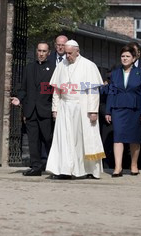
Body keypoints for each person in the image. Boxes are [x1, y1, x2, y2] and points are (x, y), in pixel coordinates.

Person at [46, 40, 105, 179]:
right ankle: (64, 170)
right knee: (64, 140)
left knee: (82, 140)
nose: (67, 56)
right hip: (65, 107)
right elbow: (56, 90)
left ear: (77, 51)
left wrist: (93, 111)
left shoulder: (88, 66)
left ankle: (87, 170)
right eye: (66, 53)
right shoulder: (61, 65)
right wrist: (55, 109)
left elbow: (93, 91)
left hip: (82, 107)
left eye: (70, 53)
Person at [11, 41, 55, 176]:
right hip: (31, 110)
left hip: (45, 109)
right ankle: (36, 166)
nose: (41, 54)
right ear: (36, 51)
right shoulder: (29, 68)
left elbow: (53, 90)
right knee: (33, 140)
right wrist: (19, 98)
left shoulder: (53, 69)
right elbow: (23, 88)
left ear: (48, 53)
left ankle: (54, 165)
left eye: (44, 51)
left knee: (48, 139)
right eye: (39, 51)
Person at [105, 45, 141, 177]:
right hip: (118, 109)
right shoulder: (115, 73)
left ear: (134, 58)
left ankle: (134, 165)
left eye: (128, 56)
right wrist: (108, 111)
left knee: (134, 139)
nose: (124, 59)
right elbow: (111, 93)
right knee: (118, 137)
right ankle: (118, 167)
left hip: (135, 109)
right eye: (123, 56)